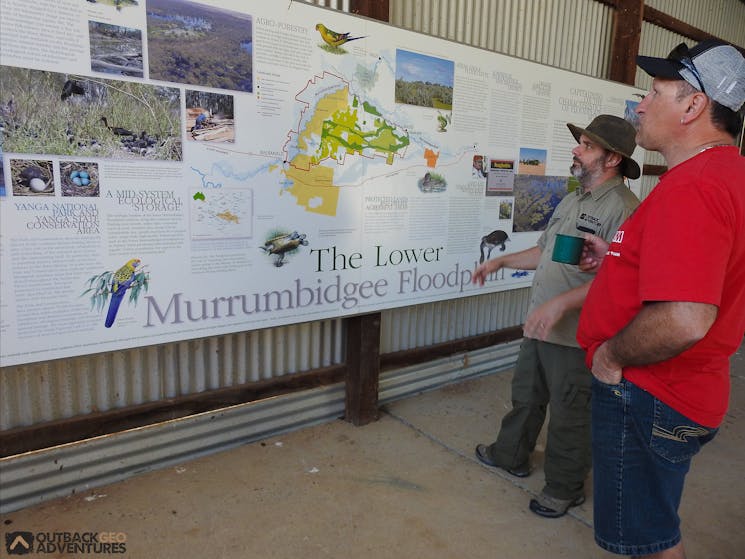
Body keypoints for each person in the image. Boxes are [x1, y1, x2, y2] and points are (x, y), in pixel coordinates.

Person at [577, 39, 745, 558]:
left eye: (654, 92)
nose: (640, 105)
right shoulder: (726, 176)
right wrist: (621, 259)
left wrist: (609, 356)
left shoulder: (693, 185)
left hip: (650, 394)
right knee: (652, 527)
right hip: (685, 391)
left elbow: (685, 318)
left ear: (694, 105)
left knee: (646, 543)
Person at [472, 115, 641, 518]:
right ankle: (510, 453)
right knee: (525, 397)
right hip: (541, 326)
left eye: (586, 145)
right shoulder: (572, 200)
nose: (575, 150)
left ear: (612, 157)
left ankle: (564, 488)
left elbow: (624, 282)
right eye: (579, 142)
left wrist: (561, 304)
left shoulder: (626, 211)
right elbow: (545, 252)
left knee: (571, 414)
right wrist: (501, 263)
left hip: (577, 337)